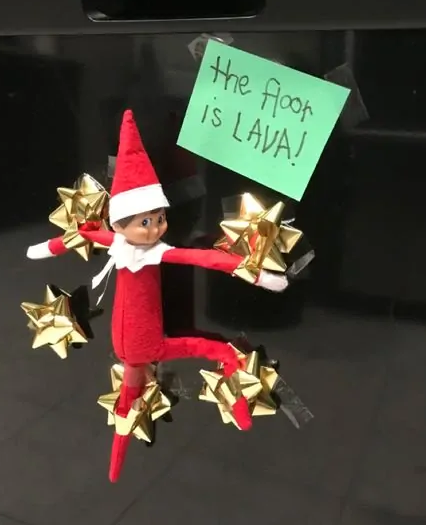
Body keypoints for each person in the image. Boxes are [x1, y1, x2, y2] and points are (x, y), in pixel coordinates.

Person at [27, 110, 287, 481]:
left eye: (159, 219)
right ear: (120, 224)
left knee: (137, 394)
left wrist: (260, 276)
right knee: (212, 355)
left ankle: (124, 460)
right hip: (145, 347)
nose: (154, 229)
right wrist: (44, 249)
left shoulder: (152, 250)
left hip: (138, 348)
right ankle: (123, 458)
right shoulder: (121, 244)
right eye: (145, 222)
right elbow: (81, 235)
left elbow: (207, 259)